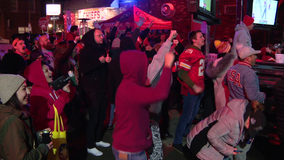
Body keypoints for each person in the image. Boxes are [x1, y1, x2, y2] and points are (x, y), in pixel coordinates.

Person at [112, 50, 174, 160]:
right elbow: (161, 93)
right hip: (130, 151)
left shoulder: (128, 84)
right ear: (137, 68)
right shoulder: (131, 89)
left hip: (128, 146)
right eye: (145, 65)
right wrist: (168, 65)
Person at [187, 99, 266, 160]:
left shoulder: (245, 115)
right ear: (250, 117)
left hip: (215, 149)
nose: (248, 128)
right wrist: (228, 150)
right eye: (250, 126)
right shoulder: (231, 119)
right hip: (202, 145)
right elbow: (211, 135)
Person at [224, 45, 266, 159]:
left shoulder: (231, 69)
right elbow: (253, 96)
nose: (255, 57)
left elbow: (225, 82)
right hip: (244, 113)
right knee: (242, 146)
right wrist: (263, 95)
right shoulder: (249, 73)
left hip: (232, 109)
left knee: (231, 140)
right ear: (248, 58)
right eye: (253, 56)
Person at [0, 74, 53, 159]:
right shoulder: (11, 122)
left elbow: (20, 142)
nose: (28, 92)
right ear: (12, 94)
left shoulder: (16, 114)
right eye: (24, 89)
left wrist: (37, 136)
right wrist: (44, 148)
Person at [79, 28, 111, 156]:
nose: (101, 37)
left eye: (102, 35)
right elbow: (84, 68)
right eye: (99, 35)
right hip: (92, 89)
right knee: (94, 117)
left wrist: (107, 62)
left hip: (102, 87)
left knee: (102, 116)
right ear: (92, 37)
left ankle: (98, 139)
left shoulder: (102, 48)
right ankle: (90, 145)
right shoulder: (86, 50)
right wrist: (99, 62)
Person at [172, 30, 205, 153]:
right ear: (194, 40)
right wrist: (194, 86)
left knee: (192, 115)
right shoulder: (189, 52)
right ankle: (177, 142)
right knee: (186, 116)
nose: (203, 38)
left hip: (199, 90)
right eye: (200, 37)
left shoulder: (197, 52)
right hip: (191, 91)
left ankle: (185, 133)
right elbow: (181, 73)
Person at [24, 60, 76, 132]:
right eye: (46, 71)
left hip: (59, 130)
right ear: (38, 74)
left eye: (49, 69)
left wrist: (72, 86)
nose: (51, 72)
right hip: (50, 134)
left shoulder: (50, 88)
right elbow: (49, 113)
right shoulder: (37, 93)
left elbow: (66, 100)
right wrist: (64, 94)